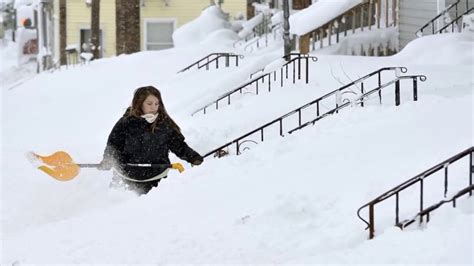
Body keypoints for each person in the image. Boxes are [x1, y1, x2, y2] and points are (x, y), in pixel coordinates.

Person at [98, 86, 203, 195]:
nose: (153, 107)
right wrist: (108, 160)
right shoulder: (125, 123)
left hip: (158, 181)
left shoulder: (165, 124)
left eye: (156, 104)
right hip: (126, 179)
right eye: (149, 104)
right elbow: (113, 146)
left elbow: (179, 146)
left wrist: (194, 158)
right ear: (139, 103)